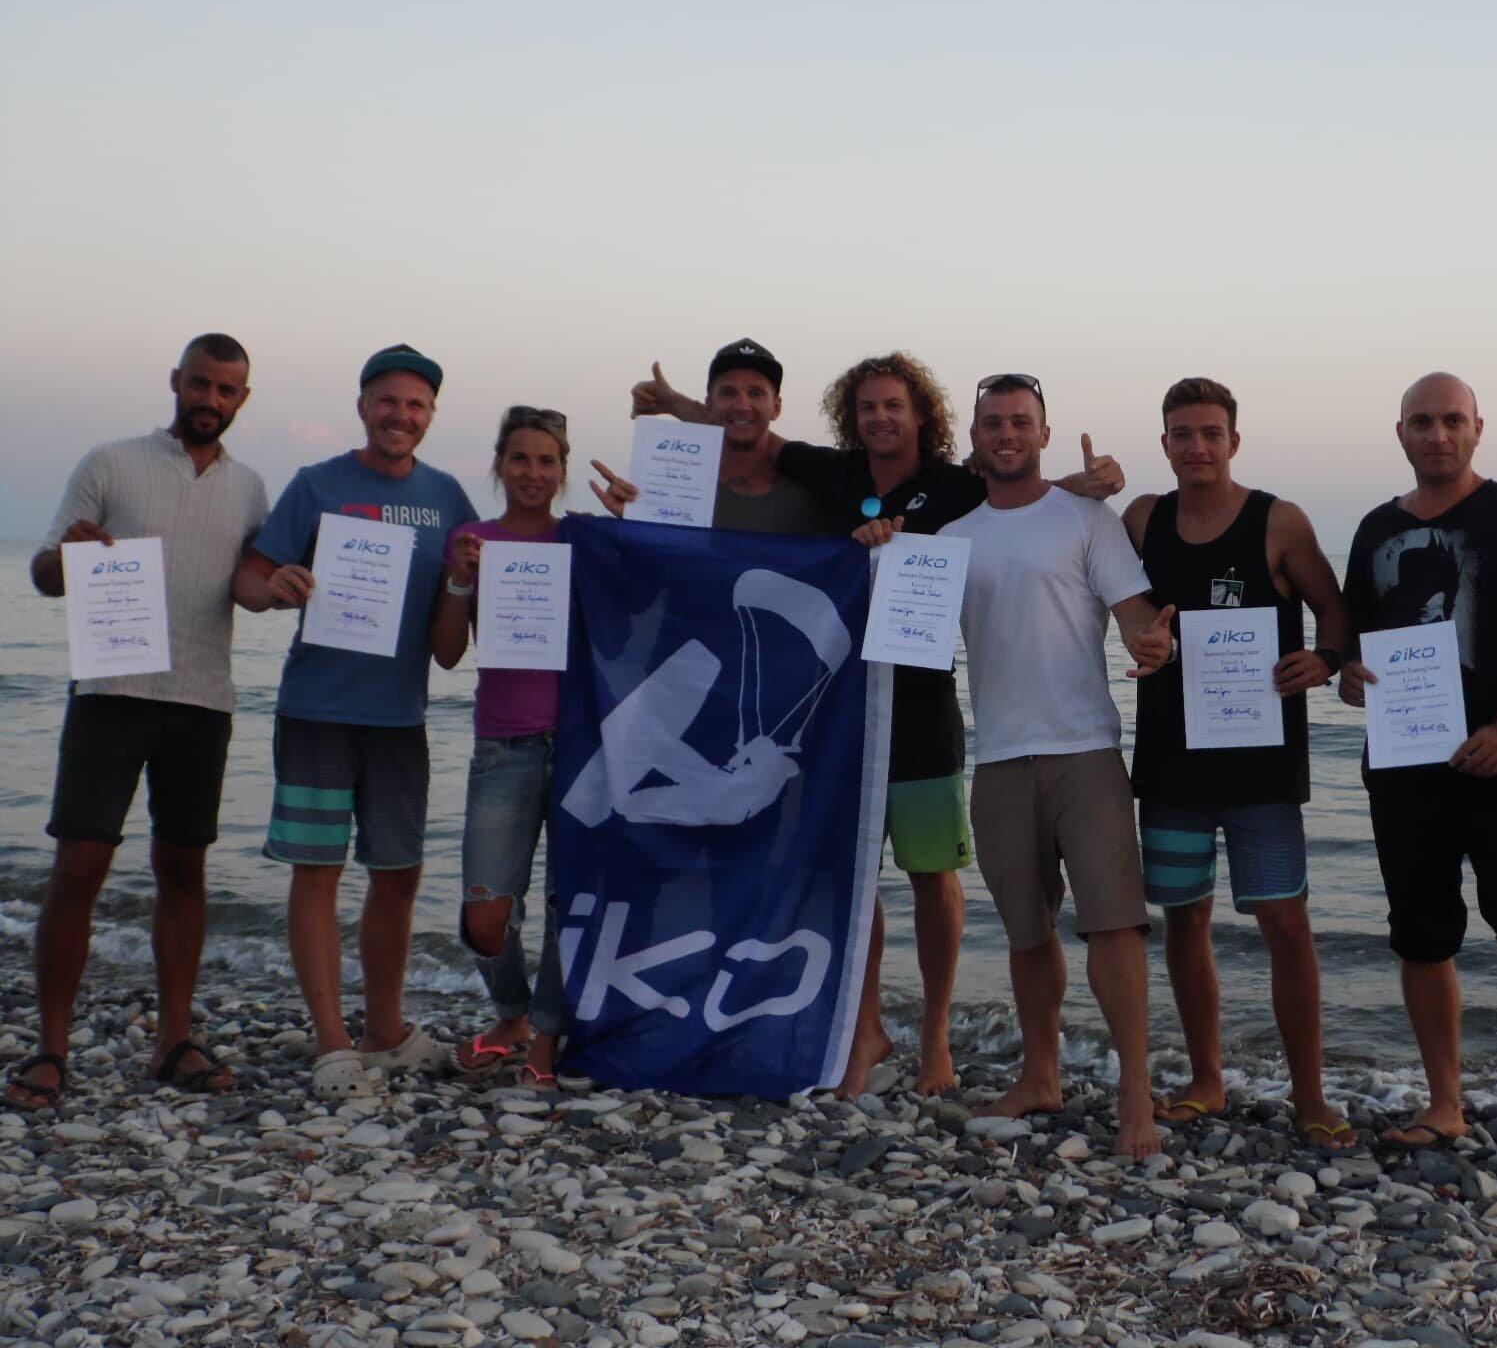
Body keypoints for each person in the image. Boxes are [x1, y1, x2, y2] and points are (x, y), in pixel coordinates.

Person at [633, 348, 1125, 1098]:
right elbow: (751, 430)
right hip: (836, 709)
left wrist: (1086, 484)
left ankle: (935, 1037)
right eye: (867, 407)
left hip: (923, 708)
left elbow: (1022, 493)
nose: (880, 418)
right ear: (851, 418)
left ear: (922, 415)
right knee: (853, 877)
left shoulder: (956, 486)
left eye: (895, 405)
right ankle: (865, 1031)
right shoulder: (832, 474)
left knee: (933, 876)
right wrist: (677, 407)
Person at [892, 373, 1172, 1156]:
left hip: (1086, 750)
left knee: (1114, 925)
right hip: (1000, 760)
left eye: (1020, 422)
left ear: (1044, 434)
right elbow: (907, 630)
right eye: (993, 423)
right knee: (1026, 931)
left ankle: (1136, 1094)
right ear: (975, 438)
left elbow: (1135, 614)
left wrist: (1155, 642)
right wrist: (879, 552)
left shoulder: (1087, 518)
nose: (1007, 434)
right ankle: (1040, 1075)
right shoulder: (952, 539)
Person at [8, 335, 268, 1110]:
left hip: (202, 700)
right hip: (111, 694)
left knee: (184, 873)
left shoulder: (251, 489)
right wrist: (68, 557)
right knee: (78, 869)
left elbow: (252, 582)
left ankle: (174, 1041)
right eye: (201, 384)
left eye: (226, 390)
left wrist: (287, 585)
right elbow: (44, 573)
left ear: (242, 399)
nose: (211, 400)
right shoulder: (111, 463)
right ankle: (51, 1047)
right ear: (176, 381)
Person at [1338, 372, 1497, 1182]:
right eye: (1421, 422)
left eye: (1451, 420)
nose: (1436, 435)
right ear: (1400, 433)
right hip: (1403, 770)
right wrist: (1348, 676)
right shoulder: (1375, 528)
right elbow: (1356, 645)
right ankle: (1444, 1103)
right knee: (1422, 937)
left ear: (1478, 428)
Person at [232, 344, 478, 1100]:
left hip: (400, 719)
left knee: (399, 875)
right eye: (388, 401)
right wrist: (275, 585)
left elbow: (453, 637)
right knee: (318, 872)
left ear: (431, 415)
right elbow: (248, 578)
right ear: (364, 406)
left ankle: (385, 1031)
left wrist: (468, 581)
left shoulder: (448, 498)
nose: (401, 415)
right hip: (317, 711)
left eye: (416, 405)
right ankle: (333, 1042)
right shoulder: (318, 484)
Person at [1121, 377, 1359, 1147]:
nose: (1196, 446)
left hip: (1262, 766)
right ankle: (1207, 1079)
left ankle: (1311, 1095)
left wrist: (1325, 660)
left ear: (1234, 441)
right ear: (1164, 443)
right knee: (1185, 920)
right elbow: (1099, 585)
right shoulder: (1142, 518)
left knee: (1285, 924)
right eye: (1182, 433)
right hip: (1172, 762)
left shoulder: (1277, 520)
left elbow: (1335, 608)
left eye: (1211, 433)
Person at [432, 408, 636, 1088]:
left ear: (563, 469)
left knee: (562, 907)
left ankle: (544, 1047)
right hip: (503, 746)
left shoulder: (584, 539)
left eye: (547, 461)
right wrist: (460, 579)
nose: (532, 472)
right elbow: (447, 652)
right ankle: (512, 1014)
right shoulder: (473, 540)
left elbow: (634, 616)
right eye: (519, 458)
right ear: (498, 464)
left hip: (581, 745)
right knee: (485, 916)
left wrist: (627, 530)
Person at [635, 338, 838, 535]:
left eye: (755, 393)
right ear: (709, 405)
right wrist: (627, 515)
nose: (742, 405)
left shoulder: (812, 497)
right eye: (728, 393)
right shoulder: (674, 489)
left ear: (776, 407)